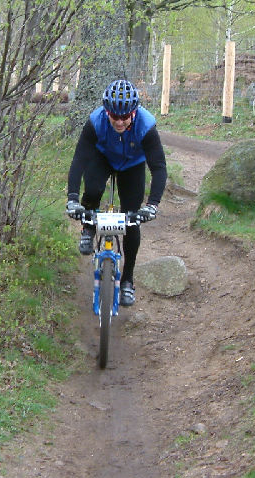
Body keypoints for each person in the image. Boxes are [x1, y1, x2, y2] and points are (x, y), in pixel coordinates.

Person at [66, 79, 167, 307]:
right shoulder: (95, 122)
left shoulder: (146, 125)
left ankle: (128, 280)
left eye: (125, 117)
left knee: (133, 221)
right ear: (106, 111)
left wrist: (152, 204)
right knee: (92, 188)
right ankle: (89, 228)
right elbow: (79, 160)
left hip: (133, 165)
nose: (120, 121)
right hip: (102, 157)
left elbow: (159, 167)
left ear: (134, 112)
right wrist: (72, 198)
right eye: (115, 116)